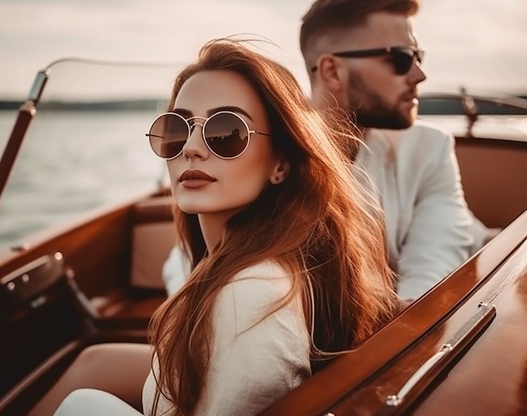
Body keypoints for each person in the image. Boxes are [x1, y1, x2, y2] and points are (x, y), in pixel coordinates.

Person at [54, 38, 398, 416]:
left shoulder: (249, 297)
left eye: (225, 133)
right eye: (176, 129)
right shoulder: (253, 267)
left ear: (279, 164)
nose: (192, 148)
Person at [299, 0, 488, 299]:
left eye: (417, 57)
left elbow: (431, 273)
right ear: (333, 72)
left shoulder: (429, 148)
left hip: (477, 245)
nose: (419, 75)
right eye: (400, 59)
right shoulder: (272, 163)